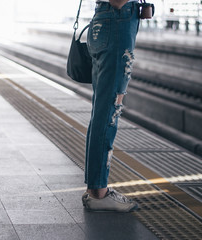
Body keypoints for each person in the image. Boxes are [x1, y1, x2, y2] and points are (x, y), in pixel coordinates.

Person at [82, 0, 141, 212]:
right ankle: (99, 193)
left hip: (109, 19)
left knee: (103, 109)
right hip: (117, 19)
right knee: (108, 110)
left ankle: (96, 188)